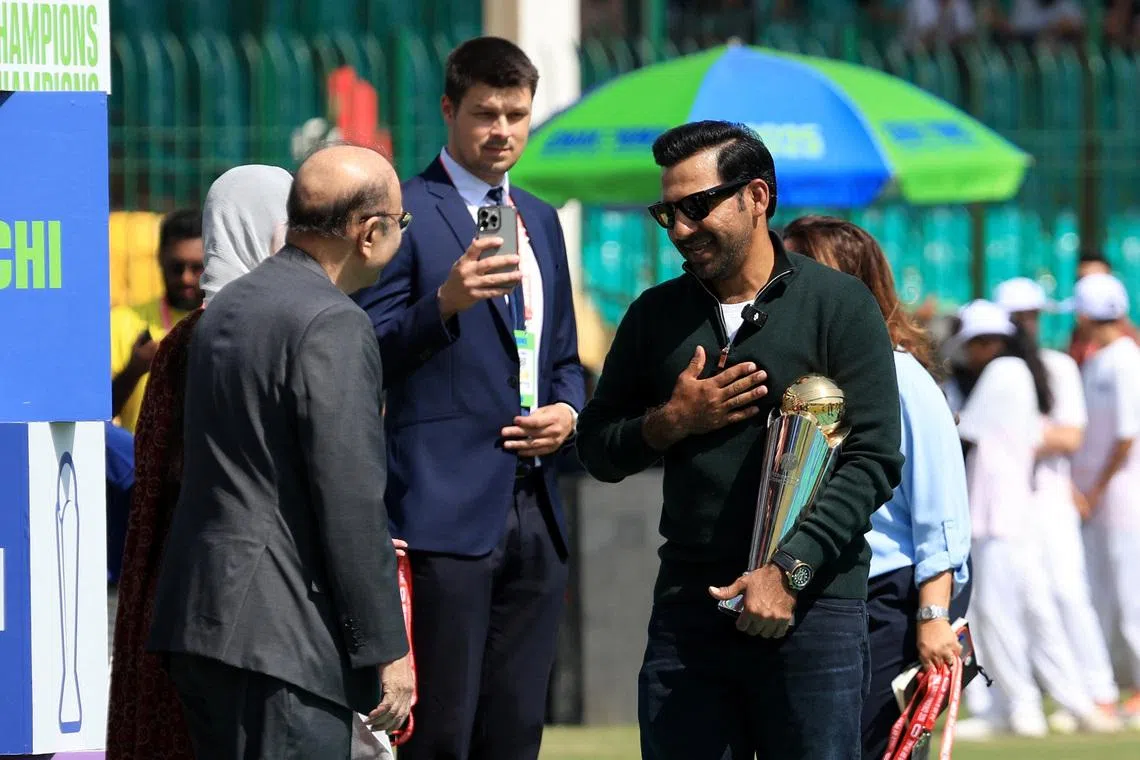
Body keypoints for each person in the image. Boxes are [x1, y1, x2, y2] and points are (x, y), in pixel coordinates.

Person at [576, 121, 903, 760]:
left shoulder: (839, 305)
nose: (678, 229)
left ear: (757, 196)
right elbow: (596, 449)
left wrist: (788, 572)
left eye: (696, 207)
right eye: (665, 212)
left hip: (812, 609)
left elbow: (873, 458)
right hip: (689, 612)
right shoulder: (653, 315)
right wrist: (669, 422)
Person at [352, 37, 585, 760]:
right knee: (442, 735)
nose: (504, 131)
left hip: (537, 509)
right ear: (450, 109)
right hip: (442, 511)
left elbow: (567, 359)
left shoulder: (541, 219)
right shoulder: (404, 214)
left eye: (517, 114)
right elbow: (364, 353)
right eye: (487, 113)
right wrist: (443, 305)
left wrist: (569, 412)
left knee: (515, 732)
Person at [148, 146, 414, 759]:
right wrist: (387, 648)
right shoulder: (332, 321)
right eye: (400, 223)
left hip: (206, 622)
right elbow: (349, 500)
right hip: (284, 638)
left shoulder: (227, 307)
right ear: (369, 233)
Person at [107, 165, 292, 760]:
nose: (188, 277)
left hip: (177, 585)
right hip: (249, 599)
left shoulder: (198, 336)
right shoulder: (243, 334)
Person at [782, 216, 970, 760]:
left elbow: (941, 510)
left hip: (890, 599)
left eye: (804, 268)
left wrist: (933, 618)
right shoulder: (817, 379)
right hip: (825, 591)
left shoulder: (900, 376)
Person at [943, 300, 1105, 739]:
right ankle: (1064, 701)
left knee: (999, 612)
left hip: (998, 512)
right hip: (1010, 509)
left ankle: (1021, 707)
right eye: (977, 342)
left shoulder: (1004, 374)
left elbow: (958, 433)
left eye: (987, 341)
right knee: (1032, 610)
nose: (981, 350)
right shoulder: (1018, 373)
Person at [994, 277, 1122, 732]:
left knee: (1067, 594)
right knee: (1014, 602)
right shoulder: (991, 371)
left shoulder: (1057, 366)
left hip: (1050, 500)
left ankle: (1099, 692)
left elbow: (1070, 434)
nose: (1025, 325)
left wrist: (1013, 437)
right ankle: (1026, 701)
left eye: (1030, 316)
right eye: (1017, 317)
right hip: (1006, 503)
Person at [1071, 272, 1140, 730]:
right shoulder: (1099, 360)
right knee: (1105, 596)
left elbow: (1125, 436)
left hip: (1120, 497)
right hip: (1097, 499)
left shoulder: (1124, 360)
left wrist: (1092, 490)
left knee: (1131, 596)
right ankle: (1116, 687)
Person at [109, 209, 204, 433]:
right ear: (159, 259)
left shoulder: (228, 320)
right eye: (176, 267)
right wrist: (134, 370)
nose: (186, 278)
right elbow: (100, 414)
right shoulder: (122, 321)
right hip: (142, 464)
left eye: (197, 268)